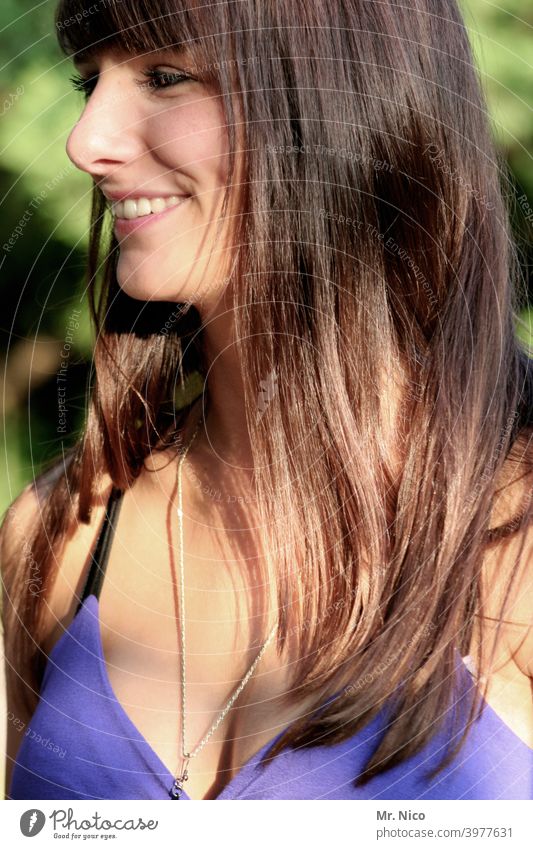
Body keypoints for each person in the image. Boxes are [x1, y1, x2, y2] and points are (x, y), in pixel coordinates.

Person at [1, 0, 532, 801]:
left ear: (336, 103)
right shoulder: (59, 538)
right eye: (88, 83)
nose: (86, 143)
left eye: (166, 76)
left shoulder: (513, 538)